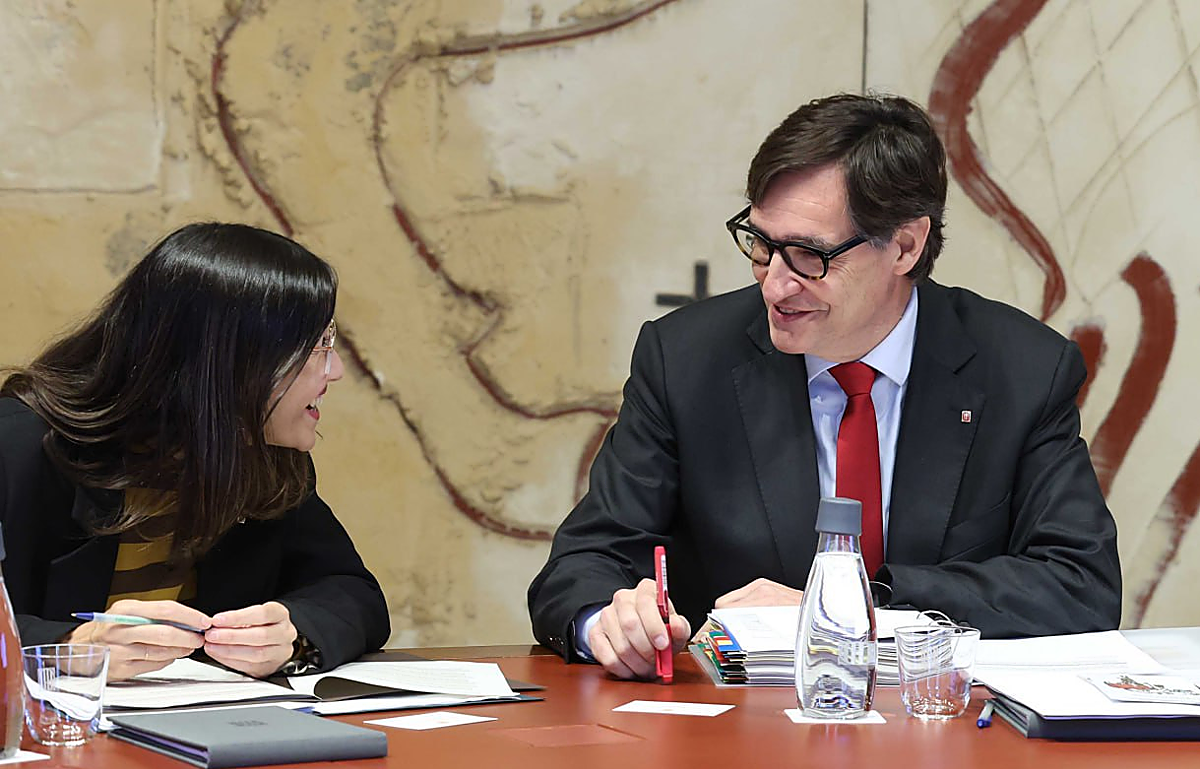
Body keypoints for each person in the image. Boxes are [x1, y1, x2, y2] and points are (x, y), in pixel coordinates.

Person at [528, 93, 1121, 680]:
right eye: (762, 245)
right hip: (733, 736)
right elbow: (584, 562)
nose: (775, 286)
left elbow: (1078, 586)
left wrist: (866, 609)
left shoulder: (1021, 369)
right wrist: (604, 621)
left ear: (905, 246)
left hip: (944, 739)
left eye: (809, 256)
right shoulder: (687, 360)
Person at [0, 222, 390, 681]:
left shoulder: (261, 453)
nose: (337, 370)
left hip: (206, 732)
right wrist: (72, 646)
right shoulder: (22, 446)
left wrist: (292, 635)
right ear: (232, 362)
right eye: (320, 345)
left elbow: (351, 591)